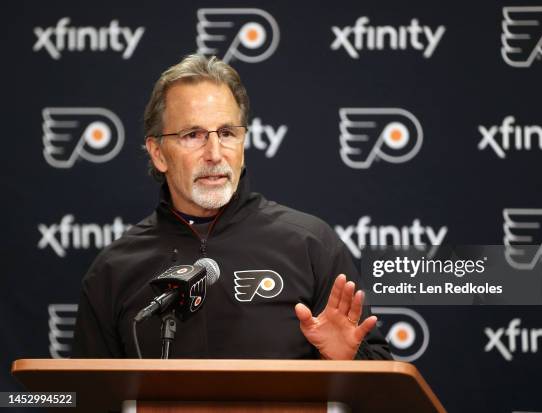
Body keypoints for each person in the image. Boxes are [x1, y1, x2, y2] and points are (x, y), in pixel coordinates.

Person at [72, 54, 391, 360]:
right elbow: (88, 394)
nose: (214, 153)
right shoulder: (114, 270)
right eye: (192, 135)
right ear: (158, 153)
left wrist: (342, 360)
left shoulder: (310, 245)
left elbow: (380, 384)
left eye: (226, 133)